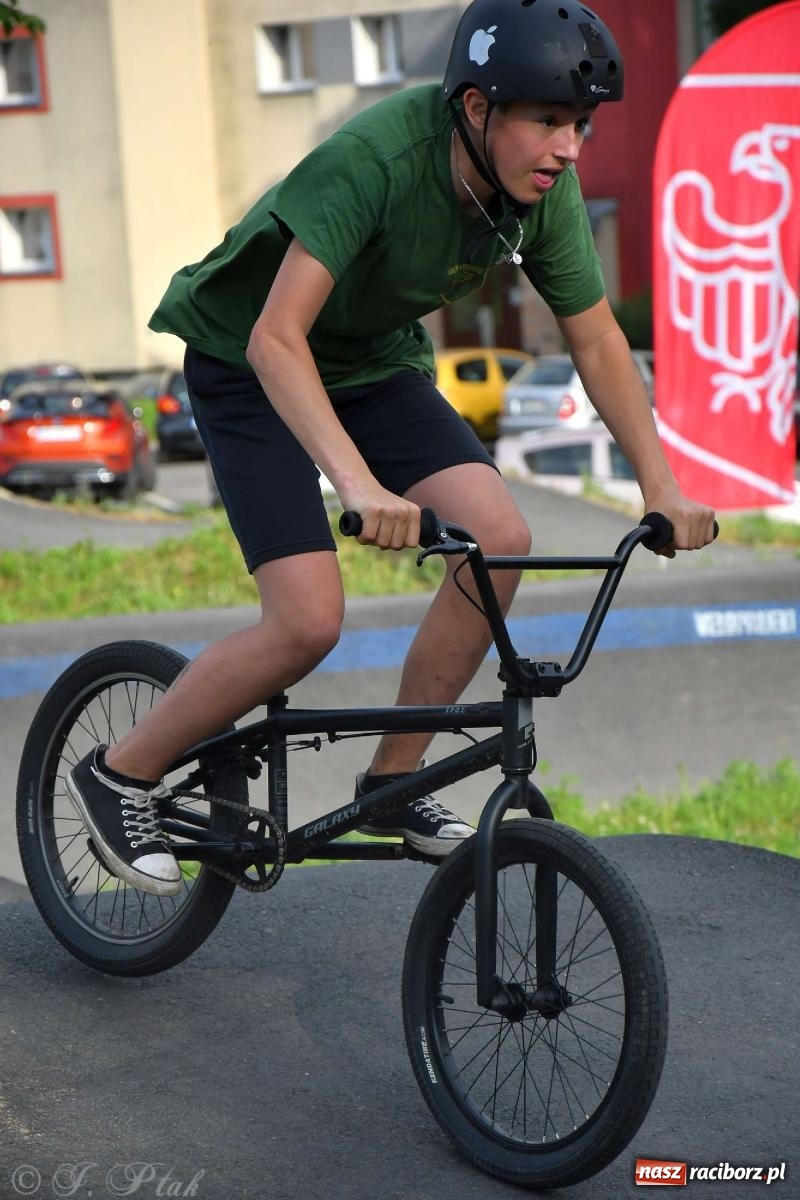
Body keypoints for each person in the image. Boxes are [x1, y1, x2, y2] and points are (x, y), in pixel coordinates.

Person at [66, 0, 716, 897]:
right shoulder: (374, 161)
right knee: (306, 621)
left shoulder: (541, 194)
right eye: (549, 122)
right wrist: (359, 484)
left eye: (581, 126)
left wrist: (661, 485)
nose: (569, 149)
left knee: (502, 538)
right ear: (479, 110)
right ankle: (118, 773)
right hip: (249, 355)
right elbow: (274, 339)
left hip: (372, 362)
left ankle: (394, 782)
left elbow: (598, 339)